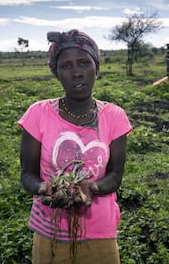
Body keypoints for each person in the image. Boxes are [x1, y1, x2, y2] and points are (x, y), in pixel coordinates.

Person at [18, 29, 132, 264]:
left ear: (96, 68)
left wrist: (91, 187)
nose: (77, 72)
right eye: (66, 66)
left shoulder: (114, 116)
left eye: (83, 63)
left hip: (99, 231)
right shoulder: (38, 114)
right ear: (56, 73)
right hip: (49, 231)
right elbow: (27, 174)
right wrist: (44, 188)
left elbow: (116, 175)